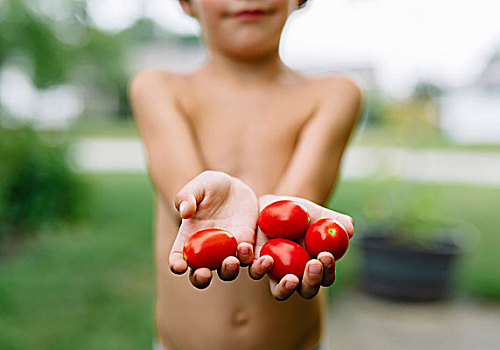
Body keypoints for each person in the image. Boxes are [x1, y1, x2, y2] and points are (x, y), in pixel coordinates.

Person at [129, 0, 362, 349]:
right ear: (186, 3)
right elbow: (187, 199)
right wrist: (212, 210)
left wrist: (274, 221)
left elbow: (292, 210)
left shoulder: (335, 95)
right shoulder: (157, 88)